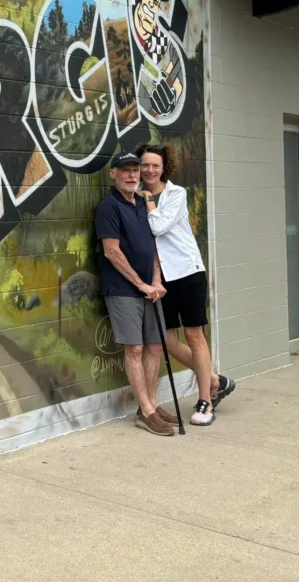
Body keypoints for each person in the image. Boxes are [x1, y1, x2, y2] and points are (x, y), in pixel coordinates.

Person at [137, 142, 236, 426]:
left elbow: (158, 228)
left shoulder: (176, 194)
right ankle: (216, 380)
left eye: (155, 165)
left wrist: (148, 201)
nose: (150, 170)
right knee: (168, 340)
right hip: (161, 278)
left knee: (194, 336)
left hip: (188, 272)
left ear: (163, 167)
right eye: (145, 165)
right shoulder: (137, 196)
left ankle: (206, 402)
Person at [95, 152, 175, 436]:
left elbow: (154, 245)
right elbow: (111, 251)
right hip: (123, 290)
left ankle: (150, 404)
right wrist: (141, 285)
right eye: (125, 171)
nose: (131, 175)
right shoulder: (108, 206)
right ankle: (147, 412)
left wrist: (155, 280)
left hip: (150, 288)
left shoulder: (143, 203)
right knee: (136, 349)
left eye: (135, 170)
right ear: (113, 174)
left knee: (154, 346)